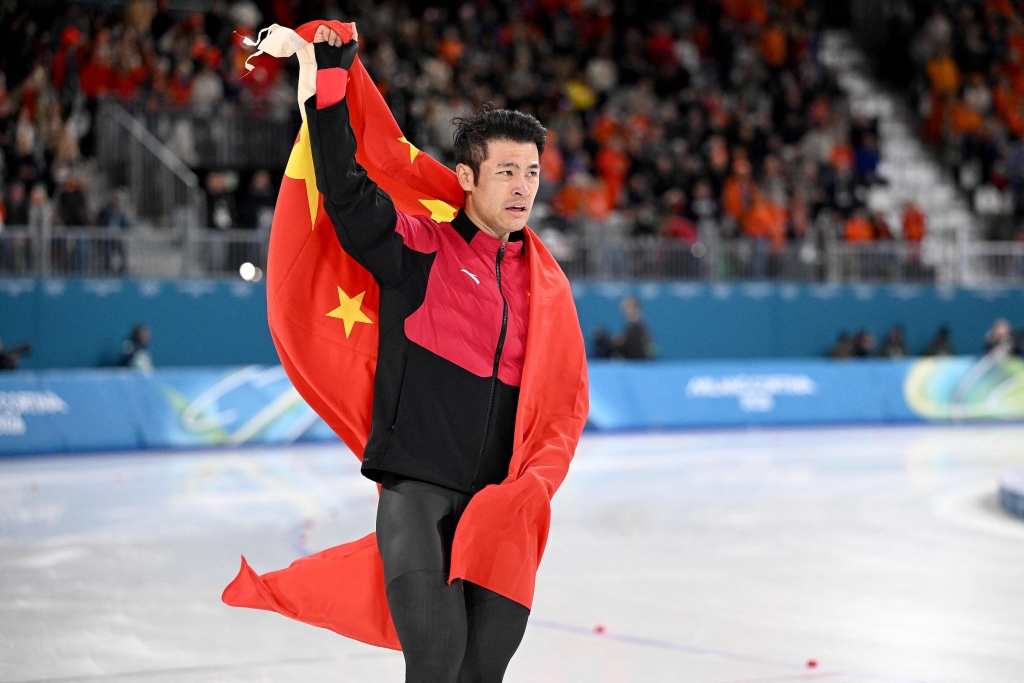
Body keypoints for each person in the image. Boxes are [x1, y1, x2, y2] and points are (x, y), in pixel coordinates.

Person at [227, 23, 586, 682]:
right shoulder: (420, 247)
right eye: (506, 171)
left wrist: (531, 486)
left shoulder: (546, 285)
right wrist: (329, 80)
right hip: (417, 492)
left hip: (503, 510)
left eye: (532, 172)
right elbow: (345, 192)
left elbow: (562, 405)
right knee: (437, 661)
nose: (522, 187)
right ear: (466, 177)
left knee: (482, 672)